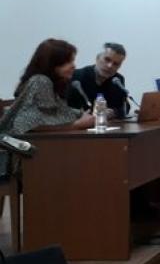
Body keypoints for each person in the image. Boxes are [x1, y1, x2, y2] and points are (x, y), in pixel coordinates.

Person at [0, 39, 95, 175]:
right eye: (69, 62)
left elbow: (57, 111)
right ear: (52, 64)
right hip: (23, 158)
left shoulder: (50, 83)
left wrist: (80, 114)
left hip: (35, 155)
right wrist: (78, 124)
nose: (74, 66)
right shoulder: (41, 81)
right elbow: (30, 121)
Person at [66, 42, 128, 118]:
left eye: (116, 64)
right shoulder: (77, 76)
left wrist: (113, 112)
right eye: (107, 59)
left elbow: (124, 106)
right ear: (97, 58)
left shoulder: (117, 80)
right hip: (79, 126)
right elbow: (65, 108)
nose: (110, 66)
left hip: (106, 126)